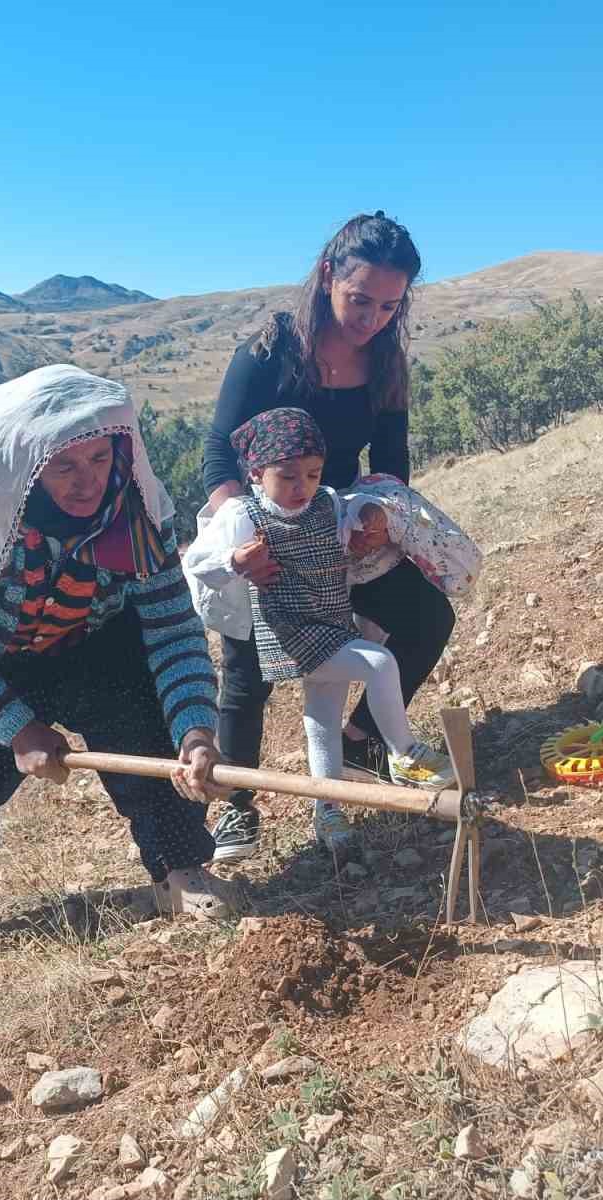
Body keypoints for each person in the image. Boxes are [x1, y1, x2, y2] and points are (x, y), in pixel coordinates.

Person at [0, 364, 231, 985]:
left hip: (89, 636)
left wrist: (196, 731)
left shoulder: (138, 514)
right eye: (64, 466)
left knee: (146, 707)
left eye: (99, 458)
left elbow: (173, 629)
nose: (87, 480)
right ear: (26, 466)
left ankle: (180, 869)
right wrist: (19, 729)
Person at [201, 211, 456, 863]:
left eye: (389, 306)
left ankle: (365, 740)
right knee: (247, 669)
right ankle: (236, 807)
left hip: (339, 523)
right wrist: (244, 535)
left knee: (426, 617)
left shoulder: (386, 360)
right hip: (261, 519)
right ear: (325, 277)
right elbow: (217, 455)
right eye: (360, 299)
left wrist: (374, 513)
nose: (372, 317)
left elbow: (392, 458)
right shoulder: (268, 350)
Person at [184, 408, 454, 857]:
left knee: (322, 721)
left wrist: (370, 518)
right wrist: (235, 562)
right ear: (256, 473)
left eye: (311, 474)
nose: (300, 487)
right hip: (292, 632)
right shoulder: (242, 513)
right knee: (380, 662)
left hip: (330, 622)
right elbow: (197, 562)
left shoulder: (325, 502)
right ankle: (403, 753)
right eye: (287, 477)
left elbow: (355, 517)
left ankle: (328, 811)